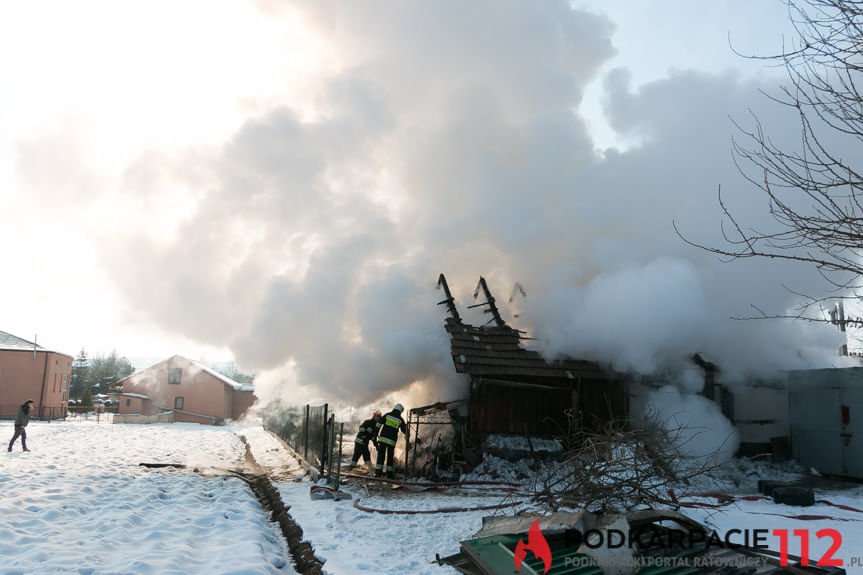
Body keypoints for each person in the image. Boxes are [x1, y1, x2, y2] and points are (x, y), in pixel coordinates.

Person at [374, 403, 406, 478]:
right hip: (391, 441)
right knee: (390, 457)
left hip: (382, 439)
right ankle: (389, 474)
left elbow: (378, 424)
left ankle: (378, 473)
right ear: (400, 411)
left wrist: (375, 435)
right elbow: (404, 430)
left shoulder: (387, 415)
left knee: (381, 456)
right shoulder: (400, 419)